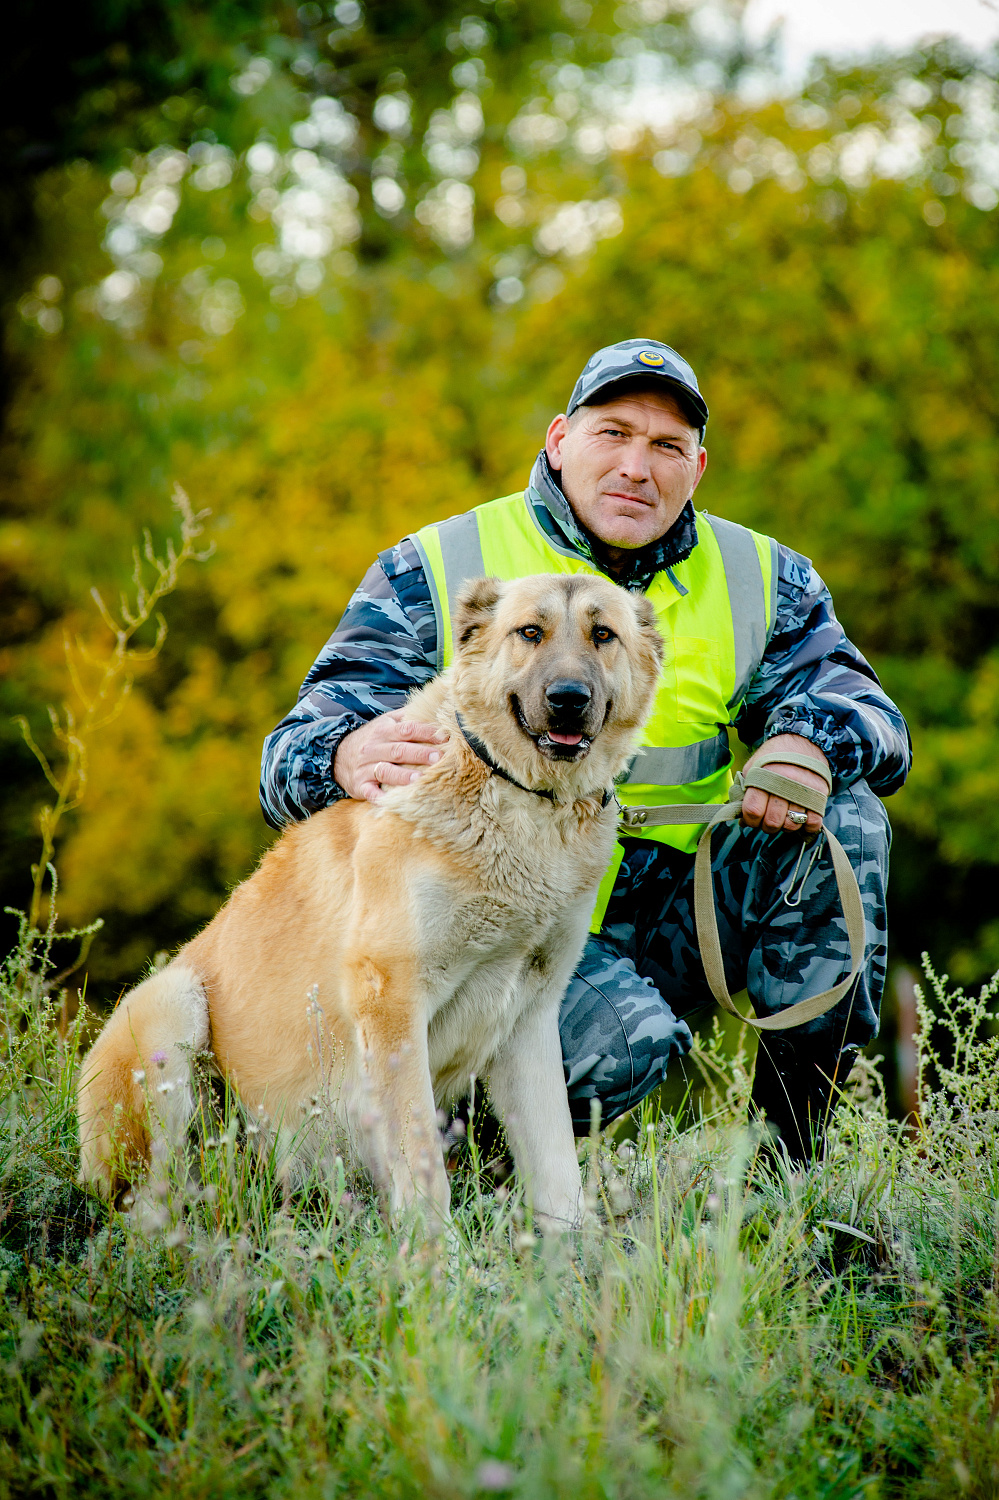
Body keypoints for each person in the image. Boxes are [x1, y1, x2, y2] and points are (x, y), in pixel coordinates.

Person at [259, 339, 911, 1164]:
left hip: (683, 904)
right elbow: (287, 758)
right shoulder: (438, 567)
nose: (637, 466)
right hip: (507, 921)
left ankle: (790, 1174)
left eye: (665, 446)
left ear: (696, 467)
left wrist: (805, 744)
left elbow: (874, 721)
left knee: (845, 820)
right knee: (621, 1047)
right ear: (559, 439)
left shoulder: (759, 576)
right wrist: (341, 753)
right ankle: (463, 1167)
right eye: (613, 433)